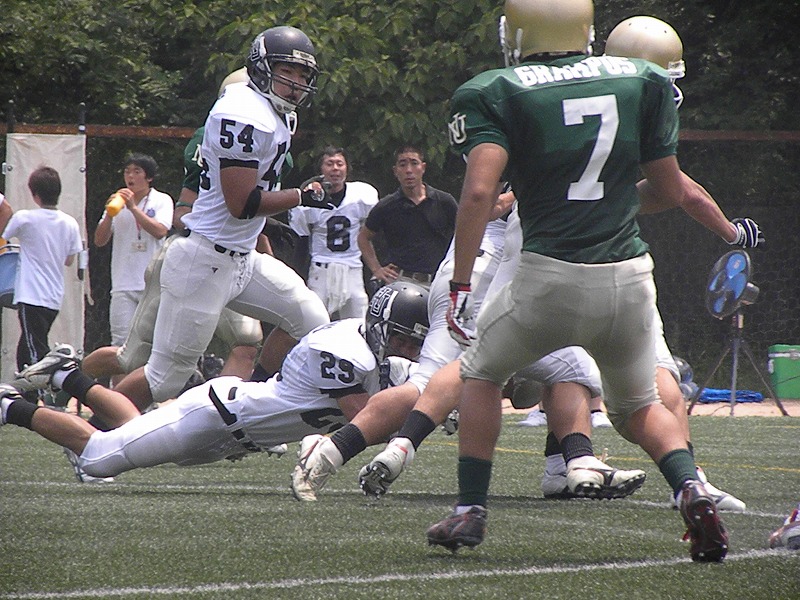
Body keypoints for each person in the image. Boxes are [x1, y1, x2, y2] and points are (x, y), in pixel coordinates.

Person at [427, 0, 729, 562]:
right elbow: (669, 190)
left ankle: (469, 508)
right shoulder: (640, 79)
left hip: (550, 278)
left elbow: (478, 193)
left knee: (481, 373)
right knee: (637, 407)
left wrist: (461, 283)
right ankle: (690, 486)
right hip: (629, 277)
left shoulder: (496, 89)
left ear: (519, 31)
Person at [291, 193, 647, 504]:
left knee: (425, 382)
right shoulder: (555, 168)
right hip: (489, 281)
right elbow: (498, 204)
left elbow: (485, 201)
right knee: (576, 367)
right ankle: (574, 461)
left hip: (459, 272)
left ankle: (334, 451)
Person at [106, 26, 332, 413]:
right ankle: (90, 428)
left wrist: (271, 221)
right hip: (204, 260)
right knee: (164, 379)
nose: (296, 83)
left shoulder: (274, 112)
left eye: (302, 75)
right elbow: (241, 204)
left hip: (240, 258)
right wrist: (301, 196)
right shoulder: (243, 113)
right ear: (261, 69)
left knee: (311, 319)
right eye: (287, 71)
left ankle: (253, 401)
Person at [1, 282, 429, 481]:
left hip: (232, 436)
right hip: (217, 416)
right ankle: (9, 406)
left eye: (415, 343)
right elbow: (365, 423)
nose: (408, 350)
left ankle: (67, 374)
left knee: (130, 429)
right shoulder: (344, 350)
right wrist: (421, 420)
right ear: (380, 326)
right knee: (97, 458)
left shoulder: (373, 354)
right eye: (402, 340)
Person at [1, 167, 82, 403]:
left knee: (36, 349)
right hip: (53, 296)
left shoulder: (25, 218)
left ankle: (50, 394)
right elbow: (69, 260)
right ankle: (26, 394)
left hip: (30, 293)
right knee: (26, 346)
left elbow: (6, 234)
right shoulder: (70, 223)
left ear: (35, 194)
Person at [94, 154, 173, 356]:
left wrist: (133, 208)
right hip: (123, 284)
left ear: (149, 178)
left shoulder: (162, 200)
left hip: (151, 284)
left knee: (152, 342)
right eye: (127, 171)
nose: (130, 176)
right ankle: (119, 379)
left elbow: (160, 231)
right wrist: (108, 215)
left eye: (137, 172)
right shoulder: (117, 202)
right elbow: (99, 240)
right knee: (120, 343)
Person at [288, 146, 378, 319]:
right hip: (321, 269)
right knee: (313, 321)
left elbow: (369, 233)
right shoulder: (310, 199)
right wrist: (298, 275)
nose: (335, 168)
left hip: (352, 269)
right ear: (321, 170)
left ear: (347, 168)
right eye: (329, 164)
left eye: (339, 164)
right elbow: (302, 240)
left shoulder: (361, 195)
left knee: (358, 324)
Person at [357, 145, 457, 291]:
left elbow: (464, 233)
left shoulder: (443, 201)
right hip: (402, 281)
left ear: (423, 167)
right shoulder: (387, 206)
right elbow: (363, 237)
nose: (409, 170)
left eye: (414, 163)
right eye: (403, 164)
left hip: (440, 280)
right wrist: (377, 269)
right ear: (395, 171)